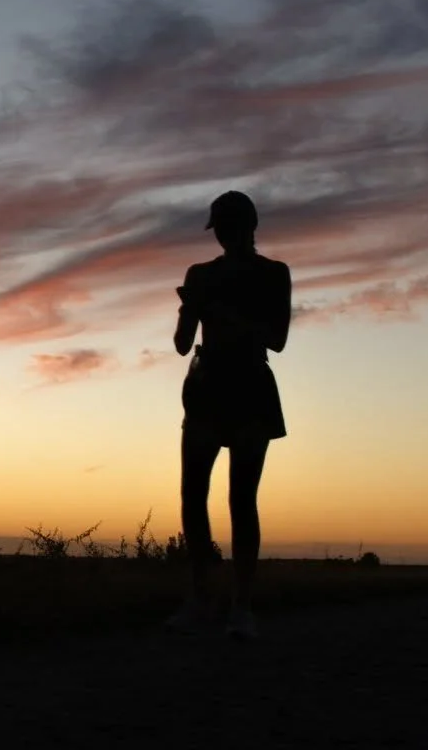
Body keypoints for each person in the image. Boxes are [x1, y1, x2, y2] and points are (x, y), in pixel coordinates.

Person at [167, 190, 291, 639]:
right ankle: (201, 598)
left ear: (246, 228)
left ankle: (241, 607)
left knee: (242, 500)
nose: (222, 234)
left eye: (227, 226)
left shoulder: (274, 274)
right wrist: (190, 307)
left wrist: (217, 309)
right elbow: (183, 343)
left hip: (251, 389)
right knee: (192, 498)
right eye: (218, 227)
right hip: (205, 387)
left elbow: (276, 339)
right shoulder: (199, 274)